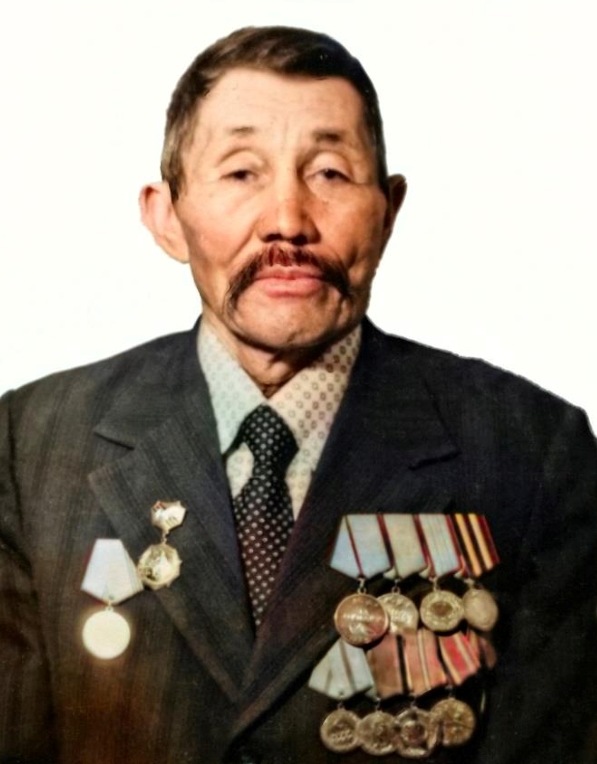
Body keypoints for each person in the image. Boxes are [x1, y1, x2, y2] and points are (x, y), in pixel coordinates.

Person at [0, 25, 596, 764]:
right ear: (165, 215)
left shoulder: (530, 451)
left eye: (330, 173)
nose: (287, 220)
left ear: (389, 210)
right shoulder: (31, 445)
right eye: (241, 172)